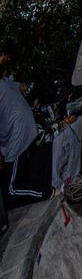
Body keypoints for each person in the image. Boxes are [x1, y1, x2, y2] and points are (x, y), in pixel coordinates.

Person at [0, 44, 37, 235]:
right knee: (20, 173)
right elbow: (23, 86)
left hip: (18, 135)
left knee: (11, 189)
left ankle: (51, 192)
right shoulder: (5, 81)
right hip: (28, 129)